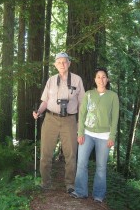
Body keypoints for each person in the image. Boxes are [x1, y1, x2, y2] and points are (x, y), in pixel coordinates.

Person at [32, 52, 85, 193]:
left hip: (70, 120)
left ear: (69, 63)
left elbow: (82, 104)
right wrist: (38, 111)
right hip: (50, 119)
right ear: (55, 65)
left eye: (65, 62)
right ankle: (45, 183)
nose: (62, 64)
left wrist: (81, 122)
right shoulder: (50, 80)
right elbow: (45, 101)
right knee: (46, 153)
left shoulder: (77, 80)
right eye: (59, 62)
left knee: (71, 154)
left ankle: (70, 184)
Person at [70, 67, 119, 203]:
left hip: (104, 136)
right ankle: (80, 191)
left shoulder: (113, 96)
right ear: (94, 79)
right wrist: (80, 132)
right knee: (81, 163)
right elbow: (82, 114)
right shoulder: (89, 94)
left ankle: (98, 195)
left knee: (101, 167)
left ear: (107, 79)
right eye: (98, 76)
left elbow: (115, 118)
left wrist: (112, 136)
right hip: (87, 134)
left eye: (104, 77)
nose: (101, 79)